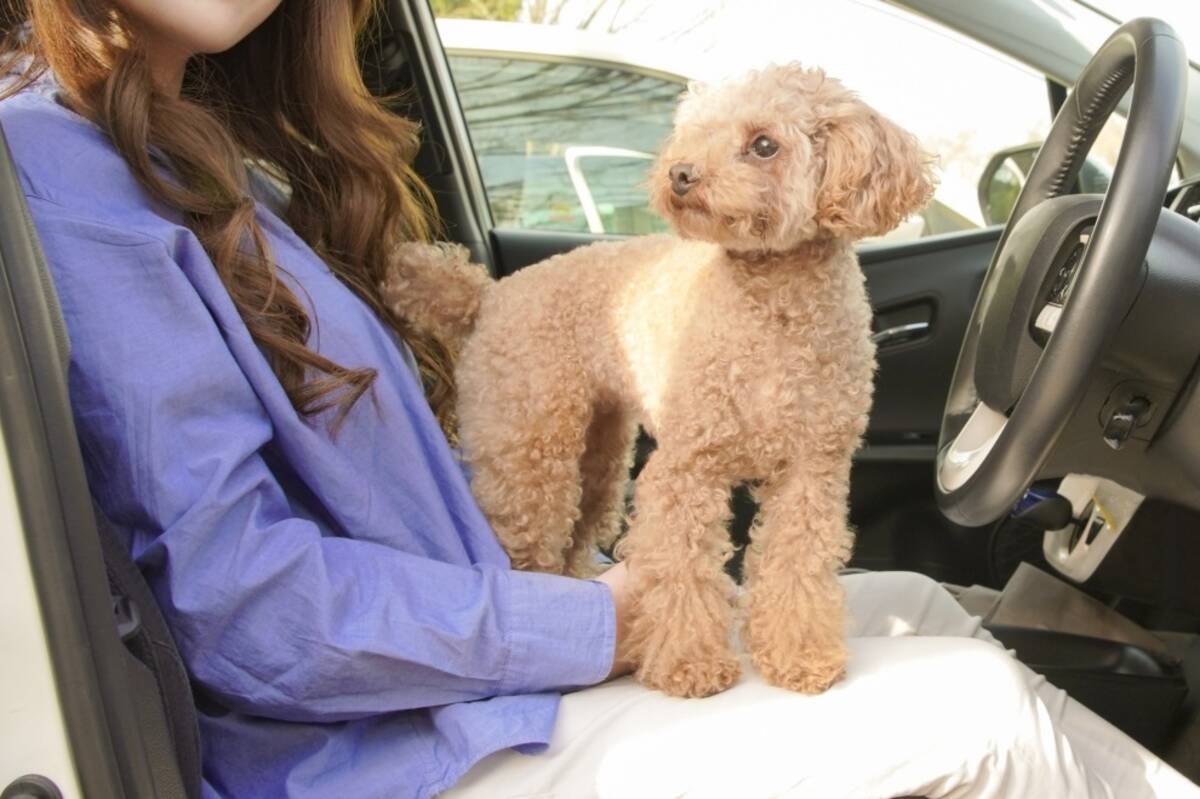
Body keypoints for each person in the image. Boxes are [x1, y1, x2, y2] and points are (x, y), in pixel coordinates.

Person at [0, 1, 1195, 797]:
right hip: (386, 746)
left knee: (922, 605)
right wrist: (589, 622)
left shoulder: (191, 160)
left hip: (454, 654)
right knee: (980, 710)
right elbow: (247, 609)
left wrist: (577, 597)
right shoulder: (66, 180)